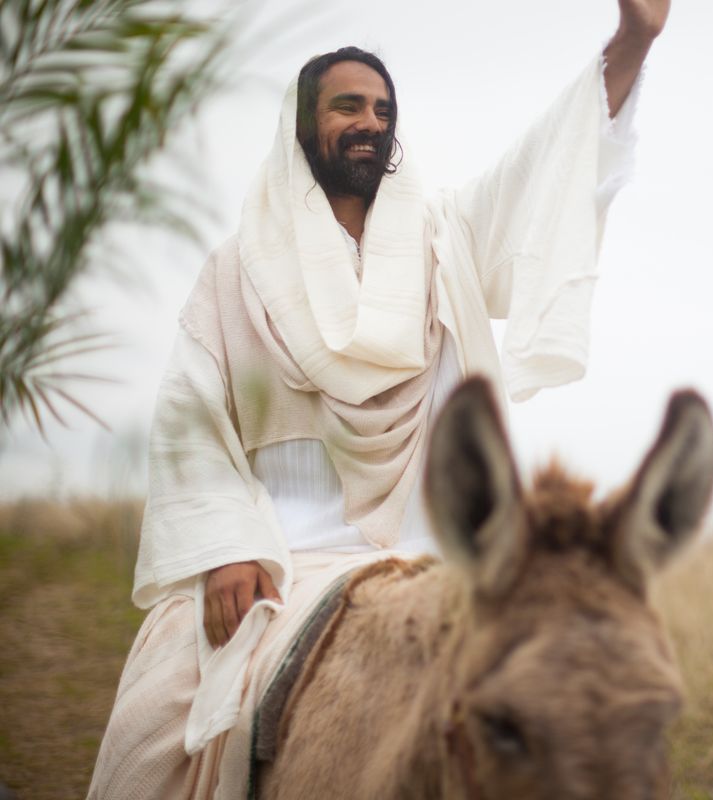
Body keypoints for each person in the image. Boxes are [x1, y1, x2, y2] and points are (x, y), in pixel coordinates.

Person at [87, 1, 669, 796]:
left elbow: (548, 166)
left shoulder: (446, 240)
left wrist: (630, 43)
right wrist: (224, 546)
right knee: (151, 728)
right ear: (303, 124)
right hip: (278, 565)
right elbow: (190, 416)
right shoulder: (238, 269)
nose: (370, 122)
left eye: (383, 109)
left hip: (434, 555)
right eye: (348, 106)